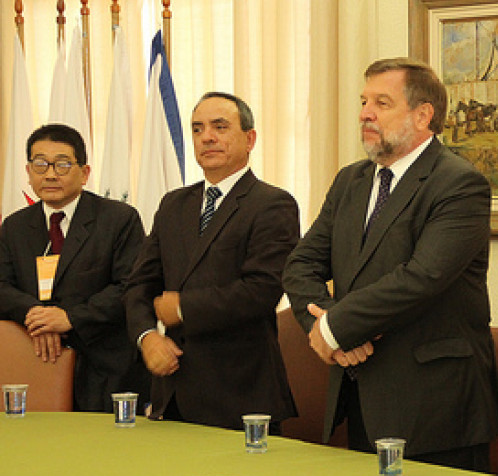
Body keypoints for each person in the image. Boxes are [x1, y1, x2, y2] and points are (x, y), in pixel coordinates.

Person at [283, 58, 498, 472]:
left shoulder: (459, 184)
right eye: (364, 101)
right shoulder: (350, 180)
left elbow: (422, 278)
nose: (365, 112)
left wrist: (336, 329)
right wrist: (325, 325)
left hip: (436, 408)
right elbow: (301, 264)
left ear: (423, 115)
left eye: (381, 103)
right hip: (361, 392)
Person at [125, 92, 300, 430]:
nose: (207, 137)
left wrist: (184, 307)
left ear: (249, 139)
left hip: (240, 393)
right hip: (173, 388)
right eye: (197, 129)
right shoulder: (174, 204)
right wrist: (147, 336)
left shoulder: (272, 204)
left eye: (220, 127)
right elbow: (139, 284)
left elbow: (263, 290)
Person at [0, 123, 148, 412]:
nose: (51, 174)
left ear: (85, 173)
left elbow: (131, 286)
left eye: (63, 164)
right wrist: (36, 315)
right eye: (40, 164)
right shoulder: (15, 226)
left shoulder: (119, 220)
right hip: (36, 365)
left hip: (106, 369)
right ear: (29, 172)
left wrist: (69, 318)